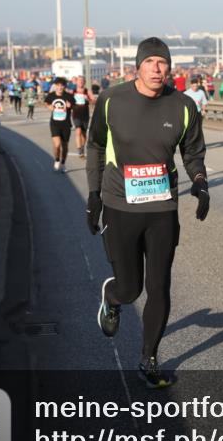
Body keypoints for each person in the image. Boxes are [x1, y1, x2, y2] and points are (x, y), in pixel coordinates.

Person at [86, 37, 209, 389]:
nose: (157, 69)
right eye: (151, 62)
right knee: (131, 289)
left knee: (159, 286)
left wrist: (199, 182)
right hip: (120, 205)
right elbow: (95, 145)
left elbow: (193, 152)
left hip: (161, 208)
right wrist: (93, 196)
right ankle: (113, 298)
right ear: (137, 66)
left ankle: (148, 358)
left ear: (170, 68)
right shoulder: (112, 100)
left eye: (163, 63)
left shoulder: (183, 106)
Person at [44, 77, 75, 173]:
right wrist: (49, 106)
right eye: (58, 86)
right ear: (55, 86)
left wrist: (71, 106)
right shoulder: (51, 95)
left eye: (62, 86)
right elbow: (46, 102)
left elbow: (74, 105)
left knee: (65, 146)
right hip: (55, 123)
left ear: (64, 87)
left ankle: (63, 162)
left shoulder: (69, 96)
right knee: (57, 145)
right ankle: (57, 159)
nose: (60, 87)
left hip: (66, 124)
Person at [71, 77, 94, 159]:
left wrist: (88, 99)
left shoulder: (87, 91)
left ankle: (82, 148)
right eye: (79, 81)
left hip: (85, 114)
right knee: (78, 131)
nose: (80, 82)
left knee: (84, 134)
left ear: (84, 82)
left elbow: (93, 100)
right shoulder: (73, 91)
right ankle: (80, 151)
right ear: (76, 82)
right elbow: (68, 101)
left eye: (82, 81)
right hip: (76, 114)